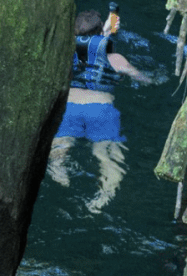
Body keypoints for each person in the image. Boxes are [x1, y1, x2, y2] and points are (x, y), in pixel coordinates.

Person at [48, 9, 150, 213]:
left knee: (59, 148)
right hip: (101, 110)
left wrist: (103, 32)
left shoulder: (64, 55)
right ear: (99, 35)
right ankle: (103, 197)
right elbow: (144, 80)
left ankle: (60, 175)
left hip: (70, 108)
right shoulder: (116, 59)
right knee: (105, 155)